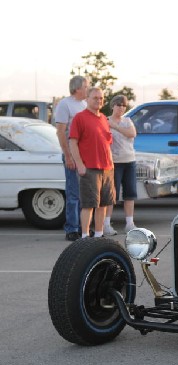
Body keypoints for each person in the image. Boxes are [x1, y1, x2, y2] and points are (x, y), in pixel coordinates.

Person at [68, 87, 115, 238]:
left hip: (106, 168)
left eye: (101, 98)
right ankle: (84, 236)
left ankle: (99, 235)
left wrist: (112, 166)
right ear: (87, 99)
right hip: (89, 168)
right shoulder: (79, 118)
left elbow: (107, 144)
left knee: (103, 204)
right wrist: (80, 164)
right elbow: (73, 142)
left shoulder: (103, 118)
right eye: (95, 98)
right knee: (89, 205)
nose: (99, 100)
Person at [54, 75, 89, 241]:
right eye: (86, 86)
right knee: (74, 193)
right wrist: (68, 156)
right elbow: (61, 132)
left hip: (85, 156)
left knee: (85, 193)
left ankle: (84, 227)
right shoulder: (65, 104)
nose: (87, 89)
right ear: (77, 88)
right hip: (72, 156)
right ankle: (72, 228)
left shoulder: (84, 105)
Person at [103, 95, 138, 235]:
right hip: (114, 162)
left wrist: (116, 127)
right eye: (118, 105)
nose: (121, 108)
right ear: (112, 106)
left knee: (130, 194)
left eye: (123, 105)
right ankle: (106, 224)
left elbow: (132, 134)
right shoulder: (105, 120)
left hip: (129, 160)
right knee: (112, 195)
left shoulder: (127, 121)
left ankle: (130, 223)